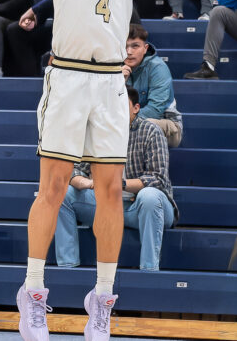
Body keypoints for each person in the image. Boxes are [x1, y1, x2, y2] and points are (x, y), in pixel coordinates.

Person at [17, 0, 150, 341]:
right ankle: (33, 294)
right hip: (69, 77)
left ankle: (102, 300)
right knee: (51, 187)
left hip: (110, 85)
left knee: (111, 190)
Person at [55, 88, 178, 273]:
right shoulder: (98, 133)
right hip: (109, 206)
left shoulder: (151, 131)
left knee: (150, 196)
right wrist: (88, 184)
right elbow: (75, 171)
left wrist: (120, 185)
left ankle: (149, 271)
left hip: (144, 208)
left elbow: (157, 178)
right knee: (63, 194)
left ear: (136, 108)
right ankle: (68, 267)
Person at [123, 25, 183, 147]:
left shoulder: (158, 68)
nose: (129, 52)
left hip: (168, 125)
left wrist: (120, 121)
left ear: (145, 48)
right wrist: (121, 81)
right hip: (126, 123)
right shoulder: (116, 68)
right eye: (125, 47)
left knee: (145, 126)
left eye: (135, 46)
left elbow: (155, 111)